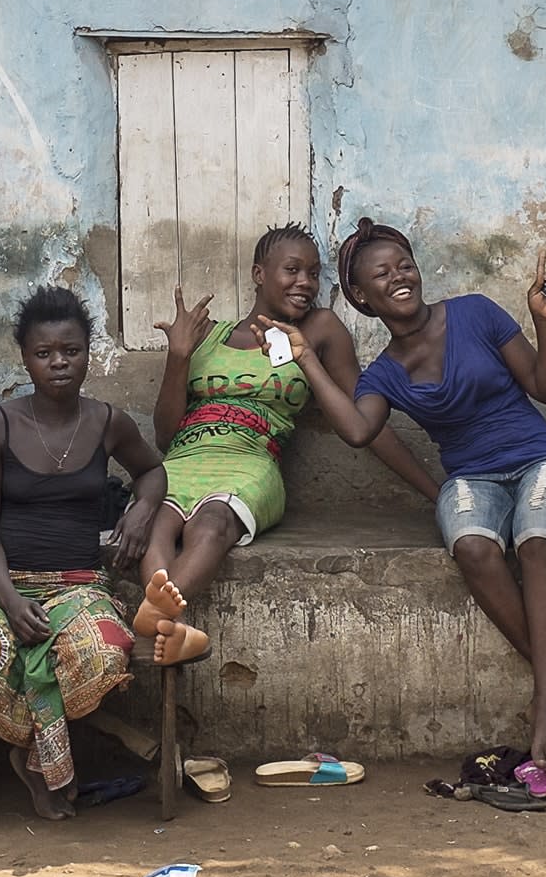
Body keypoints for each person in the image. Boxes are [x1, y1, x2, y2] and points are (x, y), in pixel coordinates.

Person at [272, 218, 546, 798]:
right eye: (382, 274)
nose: (400, 277)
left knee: (537, 539)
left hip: (541, 459)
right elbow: (358, 432)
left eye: (405, 265)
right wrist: (308, 360)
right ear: (361, 296)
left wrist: (544, 323)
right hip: (472, 477)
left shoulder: (476, 313)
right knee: (472, 546)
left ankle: (544, 707)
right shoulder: (384, 373)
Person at [139, 224, 424, 664]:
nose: (305, 282)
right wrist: (178, 357)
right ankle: (170, 632)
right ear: (259, 274)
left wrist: (431, 489)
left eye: (313, 273)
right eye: (292, 270)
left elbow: (364, 422)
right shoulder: (206, 334)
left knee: (211, 526)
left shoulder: (319, 330)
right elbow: (164, 437)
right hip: (183, 459)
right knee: (157, 523)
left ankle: (151, 624)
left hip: (250, 464)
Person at [0, 287, 168, 819]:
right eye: (44, 353)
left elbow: (152, 471)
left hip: (79, 586)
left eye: (71, 350)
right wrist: (10, 600)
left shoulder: (108, 421)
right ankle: (42, 756)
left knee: (104, 651)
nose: (59, 362)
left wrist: (141, 510)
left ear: (89, 353)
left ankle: (38, 763)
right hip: (4, 585)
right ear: (25, 358)